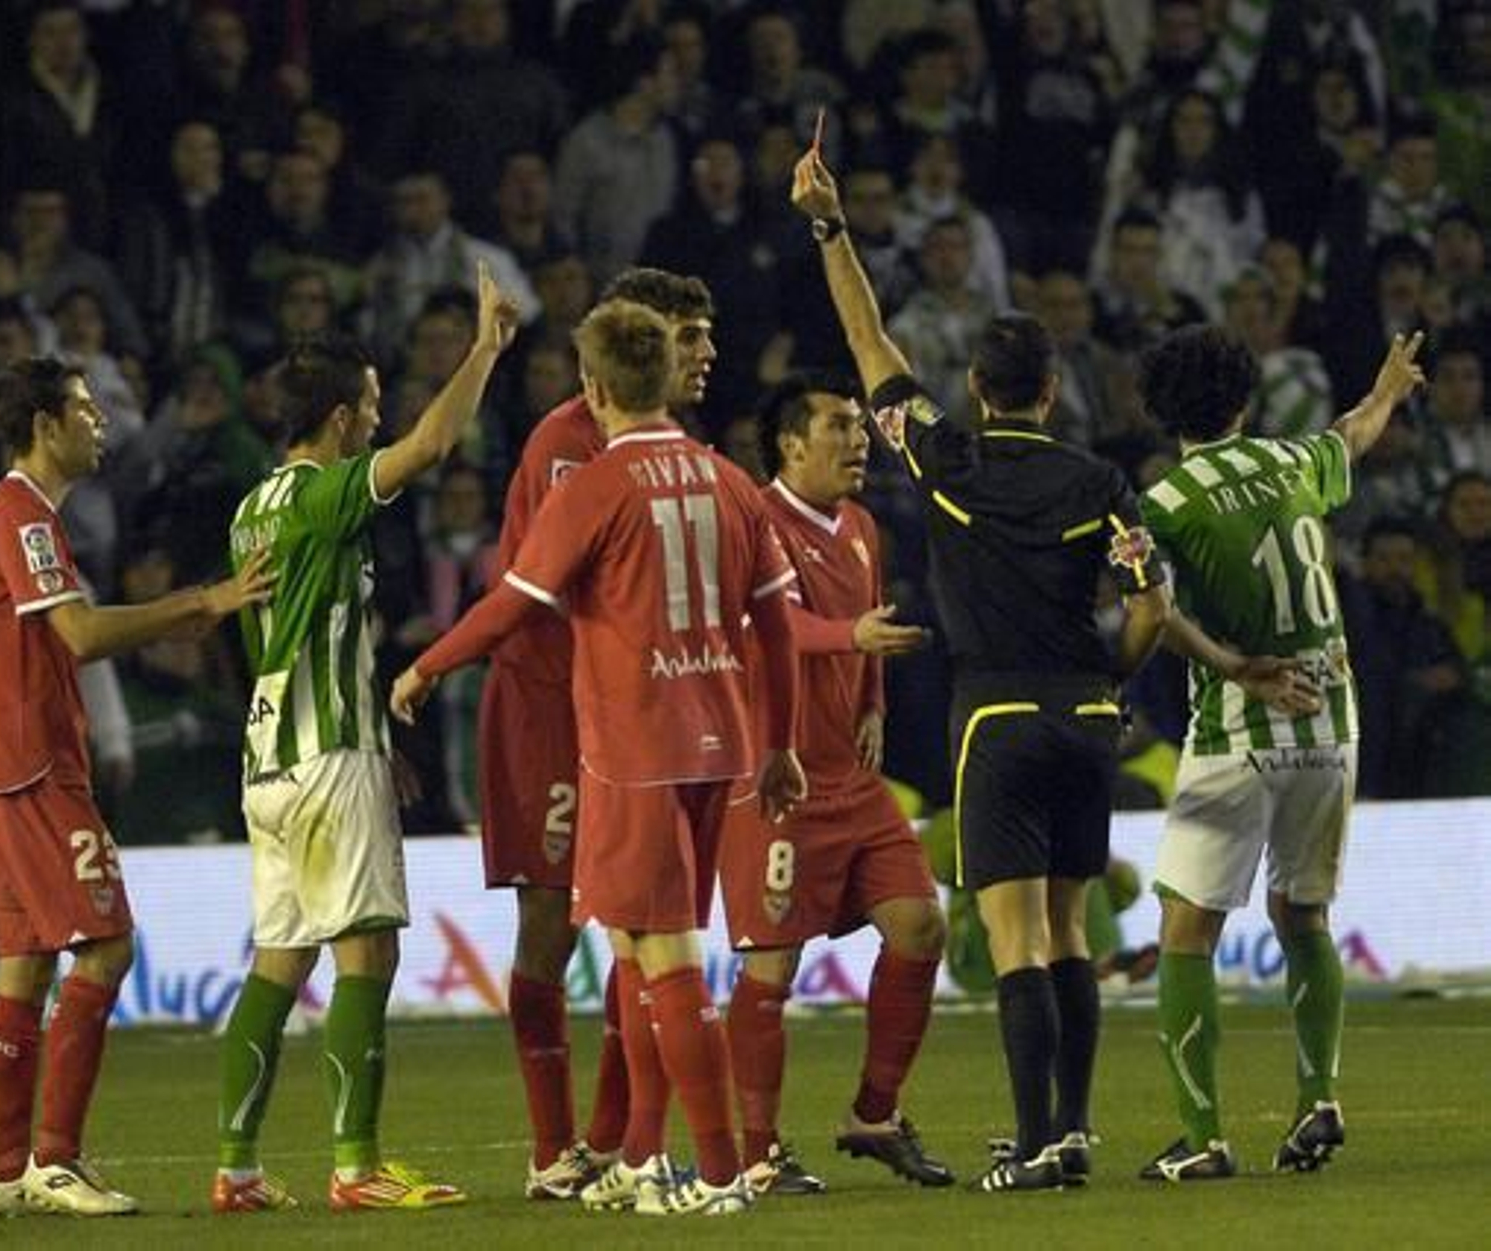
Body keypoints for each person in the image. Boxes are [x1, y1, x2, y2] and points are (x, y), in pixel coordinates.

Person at [791, 147, 1174, 1193]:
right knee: (1066, 929)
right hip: (1086, 715)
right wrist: (1116, 677)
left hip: (995, 716)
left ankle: (1035, 1139)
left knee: (1014, 939)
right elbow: (1151, 599)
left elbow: (868, 339)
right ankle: (1075, 1129)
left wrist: (830, 226)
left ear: (974, 387)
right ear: (1050, 391)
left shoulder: (946, 460)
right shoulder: (1100, 481)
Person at [391, 298, 805, 1217]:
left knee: (661, 952)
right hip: (721, 738)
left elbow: (513, 603)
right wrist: (776, 742)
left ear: (592, 386)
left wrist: (427, 664)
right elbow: (774, 624)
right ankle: (643, 1156)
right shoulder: (728, 477)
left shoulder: (596, 484)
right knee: (632, 945)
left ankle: (719, 1171)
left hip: (634, 743)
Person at [212, 263, 519, 1214]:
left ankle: (237, 1166)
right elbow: (432, 445)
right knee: (366, 956)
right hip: (329, 751)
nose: (382, 419)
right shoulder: (319, 495)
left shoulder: (250, 506)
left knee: (278, 960)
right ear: (341, 417)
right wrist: (488, 345)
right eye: (373, 404)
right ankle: (357, 1165)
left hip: (271, 759)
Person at [0, 357, 271, 1218]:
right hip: (27, 766)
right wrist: (207, 602)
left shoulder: (3, 509)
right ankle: (56, 1159)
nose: (101, 422)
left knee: (21, 967)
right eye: (87, 409)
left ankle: (2, 1170)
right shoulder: (23, 514)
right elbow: (83, 634)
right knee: (105, 946)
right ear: (46, 424)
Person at [1135, 326, 1426, 1182]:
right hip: (1335, 725)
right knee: (1303, 916)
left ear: (1157, 410)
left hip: (1240, 730)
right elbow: (1352, 435)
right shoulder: (1291, 463)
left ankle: (1202, 1137)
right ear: (1244, 401)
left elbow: (1152, 612)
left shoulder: (1165, 502)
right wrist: (1389, 389)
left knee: (1185, 932)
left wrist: (1230, 666)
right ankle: (1318, 1097)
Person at [476, 268, 719, 1201]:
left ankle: (623, 1142)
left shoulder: (670, 446)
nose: (705, 354)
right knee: (552, 917)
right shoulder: (570, 446)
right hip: (547, 707)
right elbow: (549, 589)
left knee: (646, 920)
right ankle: (553, 1149)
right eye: (689, 335)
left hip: (636, 714)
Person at [719, 372, 952, 1195]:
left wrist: (876, 698)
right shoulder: (751, 519)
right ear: (790, 443)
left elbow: (872, 619)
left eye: (859, 426)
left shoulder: (861, 526)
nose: (859, 440)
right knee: (769, 972)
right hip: (776, 775)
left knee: (921, 924)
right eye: (840, 426)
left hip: (852, 777)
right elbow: (761, 627)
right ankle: (756, 1153)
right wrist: (849, 635)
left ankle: (874, 1113)